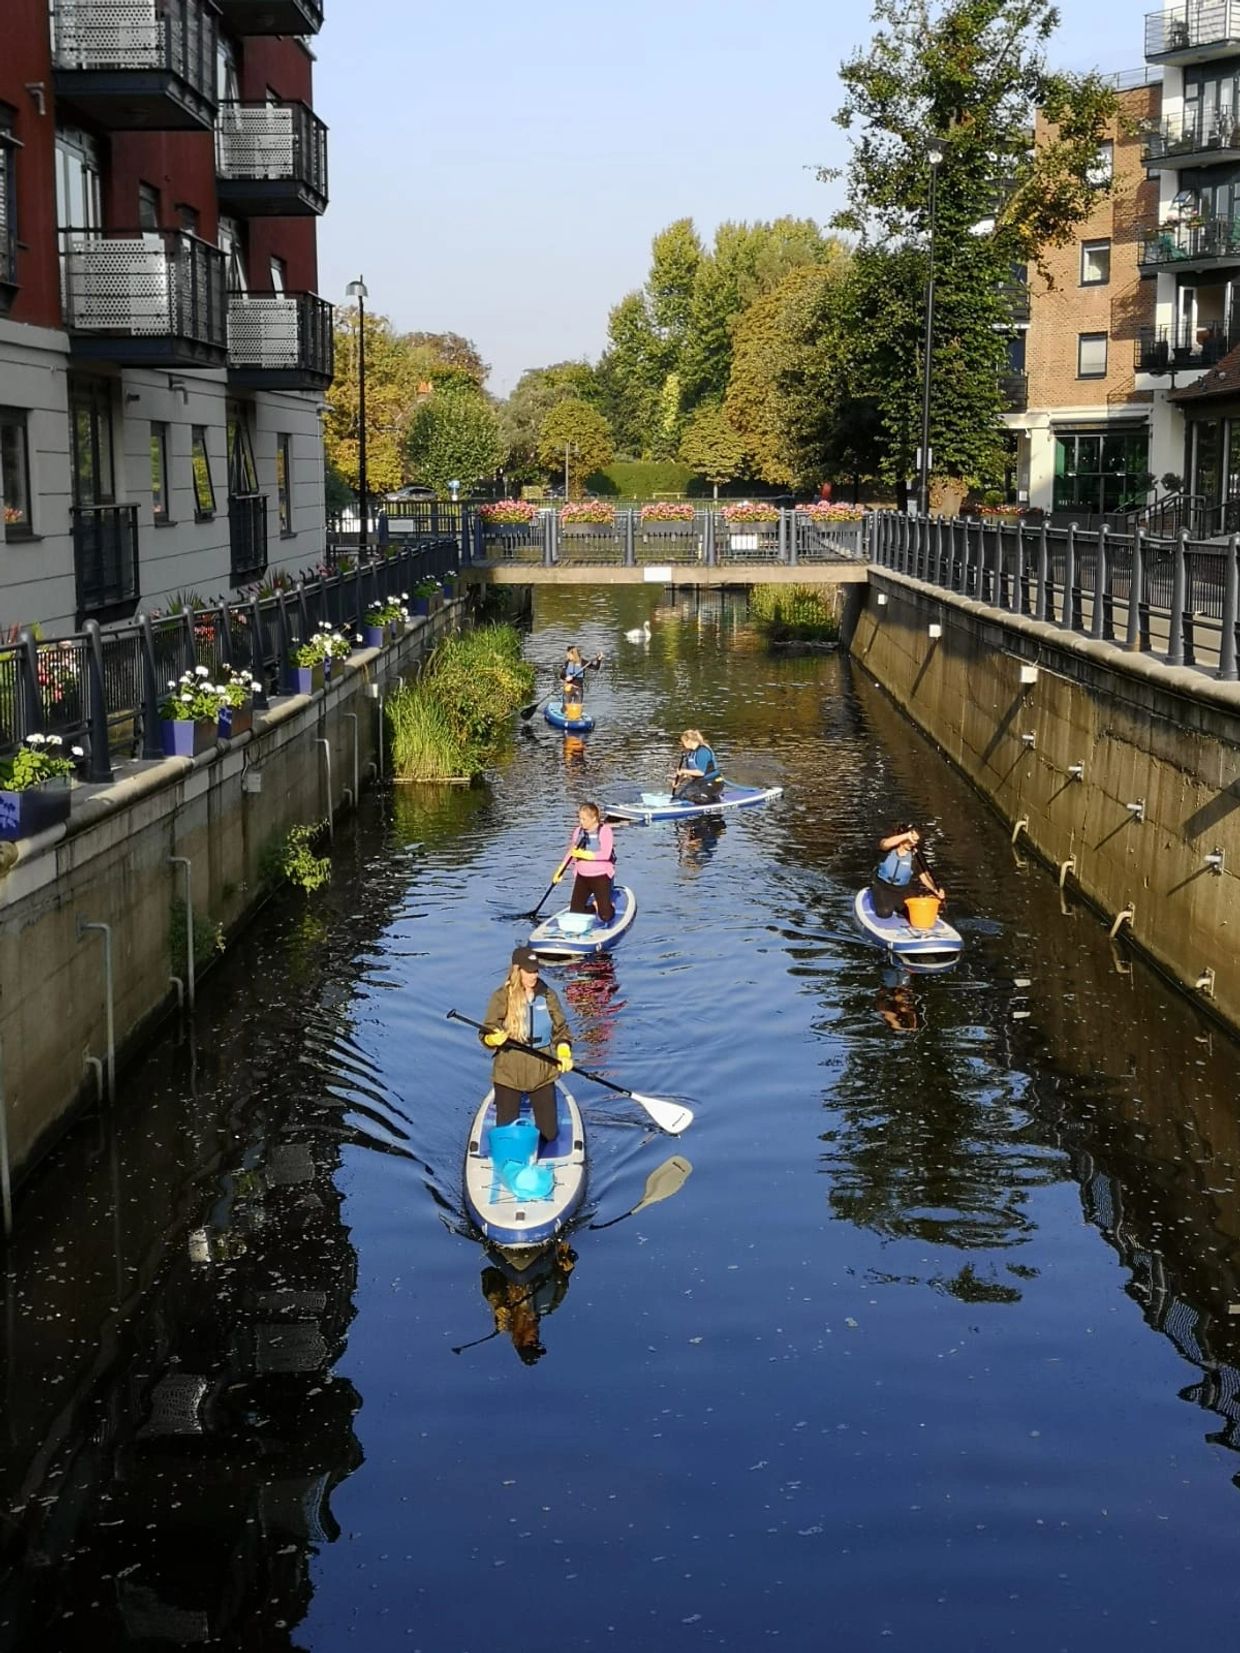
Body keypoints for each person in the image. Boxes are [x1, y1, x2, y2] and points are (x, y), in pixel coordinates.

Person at [479, 946, 573, 1144]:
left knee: (549, 1134)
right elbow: (485, 1032)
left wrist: (564, 1051)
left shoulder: (548, 995)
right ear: (517, 970)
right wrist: (492, 1039)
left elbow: (561, 1030)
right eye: (529, 971)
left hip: (542, 1070)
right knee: (507, 1134)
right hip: (509, 1071)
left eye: (536, 970)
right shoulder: (501, 997)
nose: (534, 975)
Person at [870, 825, 946, 919]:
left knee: (915, 914)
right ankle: (878, 898)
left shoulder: (915, 855)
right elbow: (884, 844)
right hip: (882, 887)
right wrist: (907, 835)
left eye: (915, 842)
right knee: (885, 913)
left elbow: (924, 877)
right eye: (910, 841)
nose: (912, 844)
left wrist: (935, 890)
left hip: (902, 890)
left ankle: (898, 907)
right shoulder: (888, 849)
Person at [566, 801, 617, 925]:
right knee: (575, 914)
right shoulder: (578, 831)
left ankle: (609, 906)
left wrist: (587, 855)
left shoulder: (604, 831)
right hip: (582, 877)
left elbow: (605, 854)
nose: (581, 822)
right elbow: (572, 852)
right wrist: (560, 871)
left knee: (605, 916)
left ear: (594, 818)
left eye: (584, 819)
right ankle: (594, 906)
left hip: (601, 876)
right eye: (580, 818)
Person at [671, 728, 724, 804]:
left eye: (683, 742)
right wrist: (678, 782)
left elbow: (700, 772)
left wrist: (683, 770)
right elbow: (690, 772)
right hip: (699, 782)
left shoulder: (703, 751)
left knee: (699, 798)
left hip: (713, 781)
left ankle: (714, 798)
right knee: (683, 796)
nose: (682, 744)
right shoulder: (691, 753)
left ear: (689, 741)